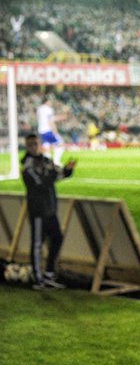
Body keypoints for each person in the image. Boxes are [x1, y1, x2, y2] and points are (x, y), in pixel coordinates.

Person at [21, 133, 76, 290]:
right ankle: (38, 279)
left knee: (57, 238)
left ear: (40, 144)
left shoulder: (45, 161)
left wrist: (67, 170)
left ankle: (49, 274)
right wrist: (52, 173)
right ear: (27, 146)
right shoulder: (27, 166)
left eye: (36, 144)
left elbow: (58, 174)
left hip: (50, 209)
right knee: (37, 244)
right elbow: (40, 184)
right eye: (31, 144)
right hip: (38, 210)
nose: (34, 147)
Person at [36, 97, 68, 165]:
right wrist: (55, 132)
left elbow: (47, 118)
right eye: (50, 101)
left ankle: (46, 163)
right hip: (48, 130)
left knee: (46, 147)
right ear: (46, 102)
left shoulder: (39, 109)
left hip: (41, 130)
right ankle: (56, 162)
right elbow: (51, 121)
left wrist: (60, 117)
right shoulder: (48, 109)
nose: (51, 103)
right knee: (60, 144)